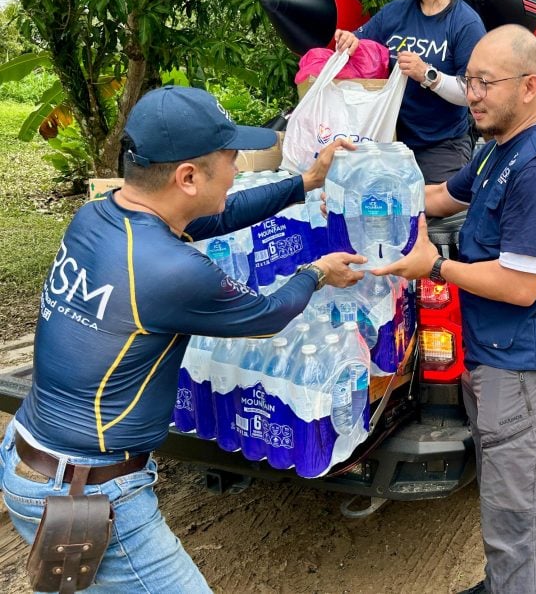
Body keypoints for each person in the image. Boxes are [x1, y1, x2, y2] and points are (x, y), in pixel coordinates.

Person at [0, 86, 365, 592]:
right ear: (187, 177)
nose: (238, 171)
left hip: (30, 457)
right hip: (88, 493)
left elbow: (217, 215)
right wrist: (317, 272)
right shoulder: (171, 271)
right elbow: (269, 314)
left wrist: (304, 181)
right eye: (232, 160)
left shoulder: (101, 216)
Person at [373, 24, 536, 594]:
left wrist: (434, 267)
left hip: (526, 368)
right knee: (503, 499)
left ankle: (513, 584)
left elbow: (519, 286)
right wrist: (364, 193)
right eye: (469, 80)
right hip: (494, 355)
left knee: (516, 519)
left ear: (528, 87)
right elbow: (444, 196)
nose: (471, 93)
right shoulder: (498, 150)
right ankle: (500, 584)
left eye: (484, 82)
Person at [335, 0, 486, 185]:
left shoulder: (465, 23)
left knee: (435, 217)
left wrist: (427, 75)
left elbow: (471, 93)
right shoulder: (394, 13)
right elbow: (361, 44)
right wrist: (349, 40)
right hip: (388, 140)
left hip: (441, 146)